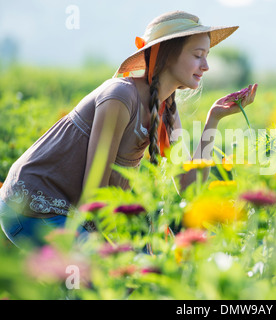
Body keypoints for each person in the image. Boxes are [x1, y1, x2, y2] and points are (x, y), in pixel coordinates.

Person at [0, 11, 258, 249]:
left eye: (206, 56)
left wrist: (214, 119)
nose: (206, 66)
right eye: (197, 55)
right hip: (32, 207)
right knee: (110, 283)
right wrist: (130, 249)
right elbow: (95, 194)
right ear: (168, 55)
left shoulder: (167, 108)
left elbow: (189, 188)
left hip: (74, 214)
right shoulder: (120, 97)